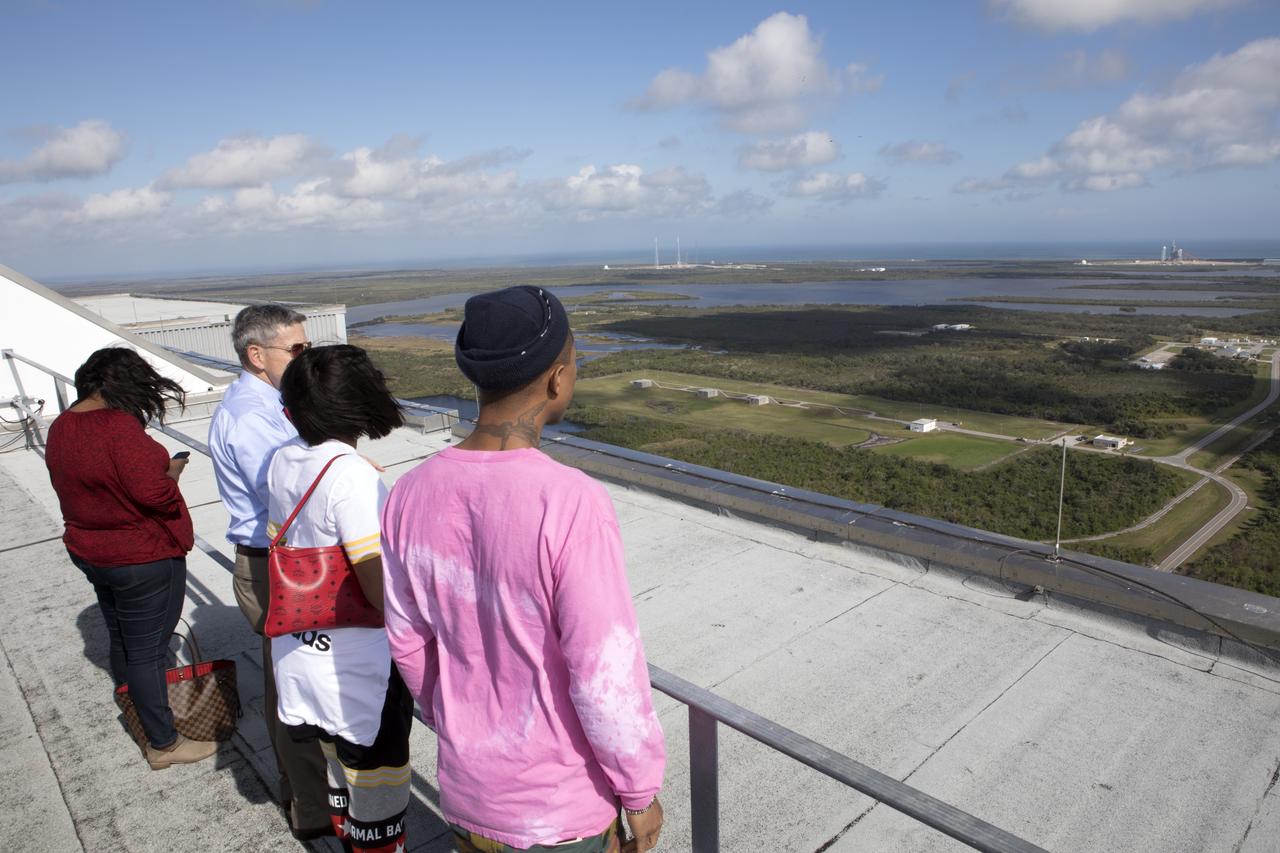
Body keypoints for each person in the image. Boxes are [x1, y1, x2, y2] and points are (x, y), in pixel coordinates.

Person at [381, 286, 666, 853]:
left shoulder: (408, 493)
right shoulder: (572, 501)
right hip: (560, 811)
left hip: (468, 795)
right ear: (558, 378)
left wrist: (462, 722)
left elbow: (408, 643)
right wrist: (639, 794)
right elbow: (603, 672)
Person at [267, 344, 413, 853]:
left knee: (338, 776)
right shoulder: (352, 477)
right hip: (358, 669)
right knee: (377, 789)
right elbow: (380, 589)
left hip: (302, 655)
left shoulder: (283, 459)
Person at [44, 347, 217, 770]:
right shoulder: (118, 427)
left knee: (121, 637)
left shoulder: (62, 425)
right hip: (140, 556)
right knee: (148, 650)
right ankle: (164, 743)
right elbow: (152, 493)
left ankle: (135, 703)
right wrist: (172, 472)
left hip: (91, 550)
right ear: (115, 384)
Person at [208, 304, 330, 838]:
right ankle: (310, 807)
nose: (306, 357)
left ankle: (315, 797)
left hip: (287, 558)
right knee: (293, 687)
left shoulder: (271, 403)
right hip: (276, 564)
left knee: (302, 679)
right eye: (297, 349)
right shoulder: (251, 416)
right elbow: (290, 492)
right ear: (257, 356)